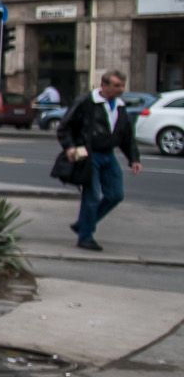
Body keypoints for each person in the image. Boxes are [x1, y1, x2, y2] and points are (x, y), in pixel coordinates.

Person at [58, 69, 141, 252]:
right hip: (88, 154)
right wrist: (70, 147)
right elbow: (65, 127)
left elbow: (126, 135)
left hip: (108, 154)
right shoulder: (86, 102)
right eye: (116, 85)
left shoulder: (119, 105)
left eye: (122, 85)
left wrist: (134, 158)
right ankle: (85, 237)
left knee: (116, 194)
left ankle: (83, 223)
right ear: (104, 85)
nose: (121, 89)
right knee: (92, 195)